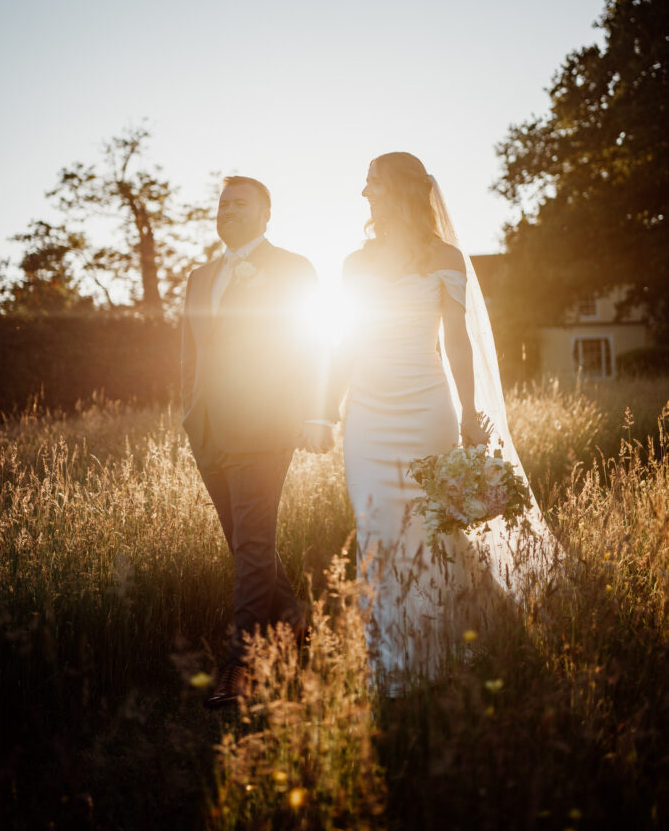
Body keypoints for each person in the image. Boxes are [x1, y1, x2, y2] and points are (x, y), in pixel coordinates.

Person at [332, 153, 557, 691]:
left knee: (434, 533)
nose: (364, 192)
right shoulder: (355, 264)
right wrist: (323, 409)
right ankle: (390, 664)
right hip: (366, 416)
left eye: (373, 183)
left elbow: (457, 340)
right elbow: (344, 342)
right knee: (378, 531)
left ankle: (446, 649)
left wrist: (468, 414)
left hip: (427, 410)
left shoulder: (447, 258)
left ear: (403, 190)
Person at [181, 176, 333, 708]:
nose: (228, 210)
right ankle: (298, 632)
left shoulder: (293, 269)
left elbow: (316, 345)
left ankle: (240, 666)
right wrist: (188, 408)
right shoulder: (199, 276)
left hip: (265, 428)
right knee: (249, 545)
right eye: (222, 203)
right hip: (207, 430)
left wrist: (319, 413)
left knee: (249, 546)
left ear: (267, 215)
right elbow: (191, 352)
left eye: (240, 203)